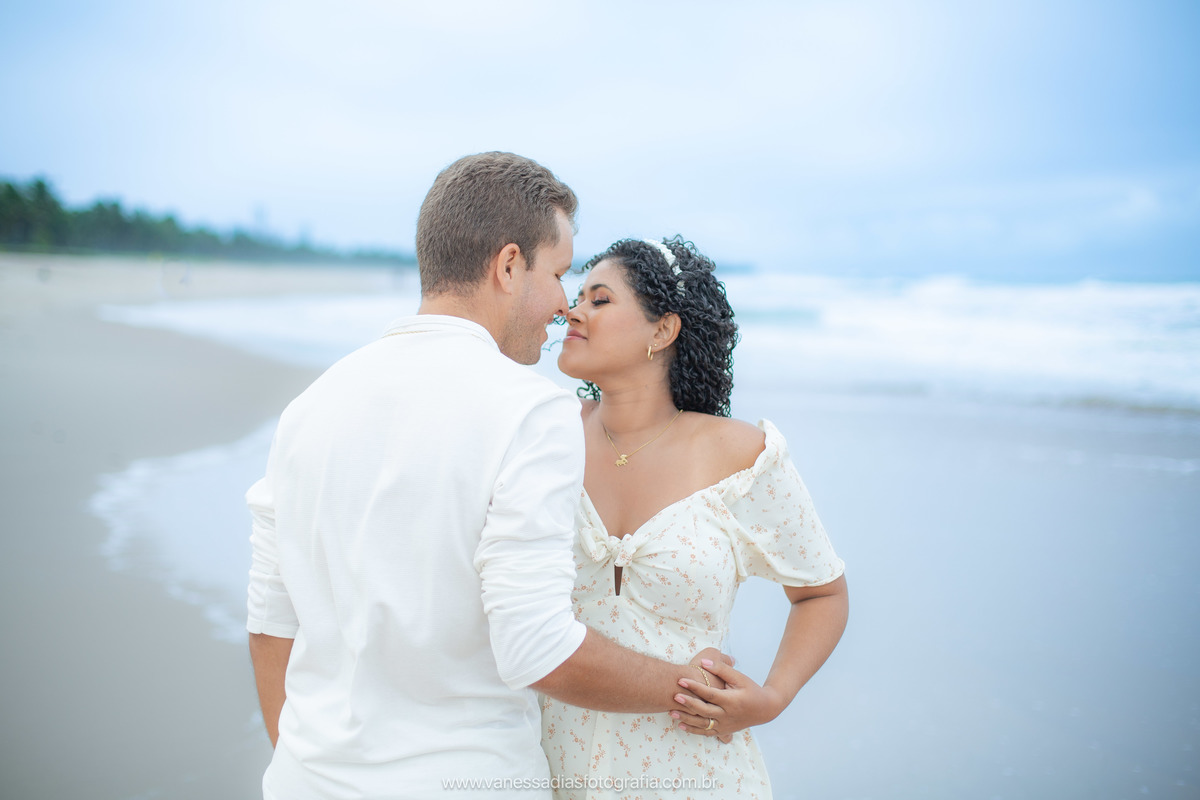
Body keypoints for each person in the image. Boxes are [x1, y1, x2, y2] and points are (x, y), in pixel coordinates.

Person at [245, 155, 725, 800]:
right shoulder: (529, 410)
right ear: (507, 266)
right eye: (557, 273)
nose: (562, 304)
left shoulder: (309, 407)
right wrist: (692, 686)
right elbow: (535, 648)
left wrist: (309, 770)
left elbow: (272, 623)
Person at [541, 236, 850, 798]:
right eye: (576, 295)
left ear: (663, 331)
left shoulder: (741, 456)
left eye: (600, 299)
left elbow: (822, 593)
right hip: (547, 769)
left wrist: (773, 697)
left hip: (694, 774)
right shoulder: (545, 434)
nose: (572, 309)